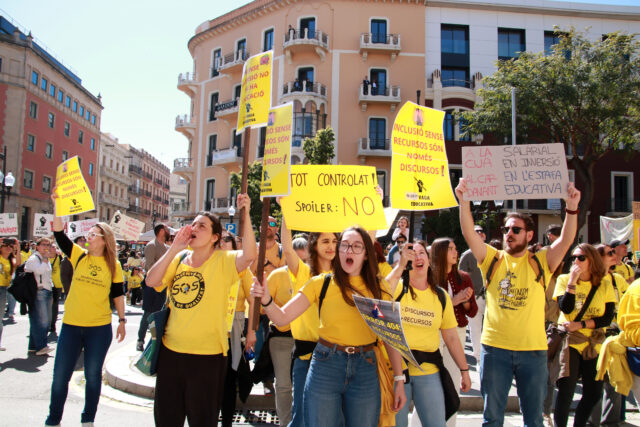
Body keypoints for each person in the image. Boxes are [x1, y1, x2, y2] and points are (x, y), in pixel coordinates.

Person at [455, 177, 580, 427]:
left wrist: (572, 208)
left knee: (533, 420)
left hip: (533, 352)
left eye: (515, 230)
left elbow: (566, 240)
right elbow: (469, 234)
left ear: (529, 234)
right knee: (492, 419)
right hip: (495, 350)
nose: (509, 234)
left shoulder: (541, 261)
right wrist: (464, 202)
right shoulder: (492, 259)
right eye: (506, 230)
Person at [252, 226, 407, 427]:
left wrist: (399, 379)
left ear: (366, 254)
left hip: (366, 367)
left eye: (357, 246)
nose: (349, 250)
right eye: (345, 245)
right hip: (326, 366)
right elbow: (282, 318)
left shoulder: (380, 288)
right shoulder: (320, 283)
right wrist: (266, 299)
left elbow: (390, 337)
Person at [145, 194, 256, 427]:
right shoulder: (179, 258)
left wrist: (246, 214)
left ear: (215, 237)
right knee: (166, 420)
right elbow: (151, 281)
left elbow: (249, 255)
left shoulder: (225, 260)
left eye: (202, 226)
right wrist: (174, 248)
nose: (194, 228)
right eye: (193, 224)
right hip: (171, 354)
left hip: (208, 358)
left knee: (202, 421)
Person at [46, 189, 126, 426]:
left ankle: (87, 420)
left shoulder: (114, 265)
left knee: (92, 376)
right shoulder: (78, 255)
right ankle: (53, 420)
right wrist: (57, 205)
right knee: (60, 376)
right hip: (71, 325)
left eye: (92, 234)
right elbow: (59, 233)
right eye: (88, 233)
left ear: (104, 239)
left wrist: (122, 321)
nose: (88, 237)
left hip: (99, 329)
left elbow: (118, 295)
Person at [386, 240, 471, 427]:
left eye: (421, 253)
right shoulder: (397, 288)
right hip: (397, 372)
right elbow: (381, 294)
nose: (417, 257)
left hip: (429, 371)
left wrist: (464, 370)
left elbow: (451, 338)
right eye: (412, 254)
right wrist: (400, 266)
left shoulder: (441, 296)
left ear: (429, 259)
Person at [278, 216, 338, 427]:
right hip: (306, 357)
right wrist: (285, 212)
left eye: (334, 241)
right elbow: (287, 249)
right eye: (325, 241)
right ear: (314, 244)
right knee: (302, 415)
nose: (331, 246)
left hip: (336, 358)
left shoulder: (343, 276)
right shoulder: (303, 271)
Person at [552, 244, 616, 427]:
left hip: (594, 342)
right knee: (566, 391)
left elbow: (607, 318)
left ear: (592, 260)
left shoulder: (604, 283)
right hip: (571, 341)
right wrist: (572, 281)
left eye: (581, 258)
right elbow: (566, 308)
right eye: (573, 258)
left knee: (594, 392)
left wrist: (580, 324)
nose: (576, 262)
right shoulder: (564, 279)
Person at [430, 237, 477, 426]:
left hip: (457, 332)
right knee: (430, 384)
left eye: (456, 248)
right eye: (450, 248)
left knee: (453, 382)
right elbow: (430, 309)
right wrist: (455, 300)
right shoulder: (429, 278)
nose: (455, 252)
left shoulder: (464, 277)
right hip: (434, 333)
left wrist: (465, 301)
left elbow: (472, 312)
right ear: (440, 252)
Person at [588, 243, 630, 426]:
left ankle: (610, 422)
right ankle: (592, 422)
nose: (614, 255)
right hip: (593, 336)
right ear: (598, 258)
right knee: (595, 383)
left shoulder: (617, 279)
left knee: (615, 381)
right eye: (609, 253)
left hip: (614, 336)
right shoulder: (588, 280)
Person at [137, 223, 170, 351]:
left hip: (163, 286)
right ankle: (140, 340)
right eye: (166, 229)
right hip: (152, 286)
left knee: (159, 313)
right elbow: (149, 266)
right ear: (161, 231)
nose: (168, 231)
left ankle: (155, 341)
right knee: (148, 314)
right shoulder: (151, 246)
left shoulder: (167, 247)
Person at [458, 225, 486, 363]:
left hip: (490, 297)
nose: (479, 234)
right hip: (475, 297)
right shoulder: (467, 255)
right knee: (475, 328)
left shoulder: (491, 252)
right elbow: (460, 276)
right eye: (476, 232)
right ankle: (478, 357)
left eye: (481, 231)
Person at [24, 237, 55, 356]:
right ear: (37, 246)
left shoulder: (43, 258)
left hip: (46, 290)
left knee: (38, 319)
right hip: (39, 291)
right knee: (42, 320)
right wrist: (45, 259)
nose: (46, 247)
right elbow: (39, 272)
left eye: (48, 245)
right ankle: (41, 346)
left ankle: (33, 346)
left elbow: (48, 276)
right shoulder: (34, 258)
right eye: (43, 244)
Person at [0, 238, 17, 350]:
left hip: (3, 289)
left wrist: (17, 247)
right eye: (5, 245)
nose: (8, 248)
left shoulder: (12, 261)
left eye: (10, 246)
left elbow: (19, 263)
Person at [49, 243, 64, 334]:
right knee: (46, 305)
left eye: (54, 247)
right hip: (46, 285)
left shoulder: (59, 258)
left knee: (54, 305)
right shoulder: (44, 257)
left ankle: (52, 324)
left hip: (56, 285)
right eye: (51, 247)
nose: (52, 248)